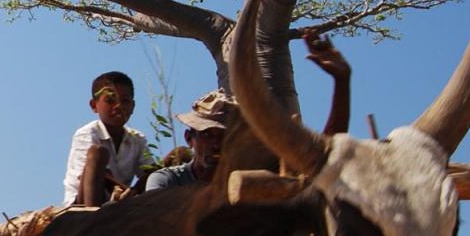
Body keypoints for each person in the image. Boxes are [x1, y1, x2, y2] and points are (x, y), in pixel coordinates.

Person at [146, 31, 354, 193]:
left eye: (224, 137)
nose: (216, 144)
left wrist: (341, 81)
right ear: (189, 138)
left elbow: (320, 161)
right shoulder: (167, 181)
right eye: (207, 134)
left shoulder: (256, 175)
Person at [63, 70, 146, 206]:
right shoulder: (87, 133)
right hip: (81, 201)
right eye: (110, 100)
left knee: (166, 164)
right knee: (97, 154)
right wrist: (131, 193)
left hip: (118, 201)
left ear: (132, 106)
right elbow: (101, 175)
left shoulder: (137, 139)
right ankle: (92, 216)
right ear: (94, 106)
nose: (118, 106)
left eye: (124, 101)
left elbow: (148, 172)